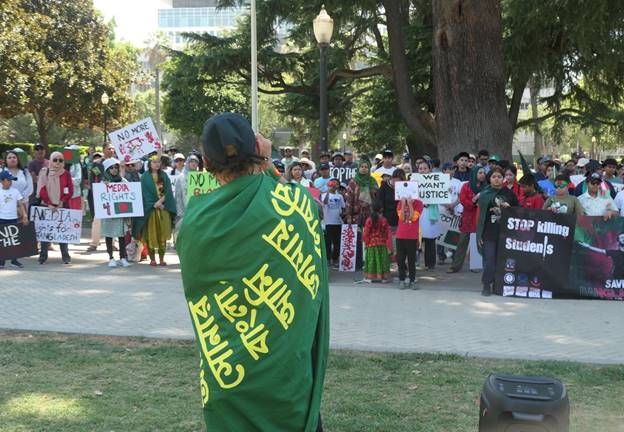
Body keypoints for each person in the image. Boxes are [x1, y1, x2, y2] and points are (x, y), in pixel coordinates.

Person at [177, 113, 328, 432]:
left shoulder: (195, 223)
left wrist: (261, 163)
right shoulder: (295, 205)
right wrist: (269, 165)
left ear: (205, 161)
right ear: (258, 149)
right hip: (289, 389)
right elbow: (298, 203)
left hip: (230, 384)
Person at [476, 167, 519, 296]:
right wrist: (479, 234)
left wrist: (510, 208)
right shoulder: (484, 194)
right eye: (494, 177)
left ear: (503, 178)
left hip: (506, 232)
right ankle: (486, 285)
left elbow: (519, 211)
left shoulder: (509, 193)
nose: (496, 179)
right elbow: (480, 216)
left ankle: (499, 285)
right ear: (489, 179)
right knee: (489, 259)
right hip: (489, 232)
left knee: (503, 260)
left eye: (499, 177)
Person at [133, 155, 177, 266]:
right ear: (149, 164)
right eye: (154, 162)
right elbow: (144, 194)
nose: (157, 164)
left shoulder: (164, 175)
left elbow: (168, 192)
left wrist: (161, 202)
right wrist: (153, 204)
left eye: (158, 162)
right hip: (150, 210)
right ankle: (152, 259)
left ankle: (162, 258)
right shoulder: (145, 177)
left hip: (163, 208)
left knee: (163, 233)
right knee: (150, 234)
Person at [37, 152, 74, 265]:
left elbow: (70, 189)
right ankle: (43, 256)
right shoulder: (44, 172)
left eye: (60, 160)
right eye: (55, 159)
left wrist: (62, 202)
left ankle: (65, 256)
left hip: (62, 206)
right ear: (51, 160)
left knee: (62, 233)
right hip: (46, 206)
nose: (57, 162)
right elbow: (42, 189)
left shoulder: (66, 174)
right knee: (46, 232)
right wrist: (49, 203)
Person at [447, 167, 486, 273]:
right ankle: (455, 266)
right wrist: (474, 201)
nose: (483, 175)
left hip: (480, 219)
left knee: (477, 243)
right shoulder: (466, 186)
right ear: (474, 174)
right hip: (468, 218)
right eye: (480, 173)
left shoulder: (486, 187)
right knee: (462, 243)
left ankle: (475, 266)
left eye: (484, 173)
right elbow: (464, 201)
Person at [345, 160, 379, 271]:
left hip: (370, 214)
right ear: (358, 168)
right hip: (356, 215)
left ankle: (370, 264)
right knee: (358, 240)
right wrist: (348, 215)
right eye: (362, 166)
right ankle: (358, 264)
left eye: (366, 167)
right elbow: (349, 199)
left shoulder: (373, 181)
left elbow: (377, 199)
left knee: (370, 239)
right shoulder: (353, 182)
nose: (364, 168)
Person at [99, 159, 131, 268]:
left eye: (116, 167)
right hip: (108, 214)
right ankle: (111, 258)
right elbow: (99, 197)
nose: (114, 170)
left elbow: (129, 196)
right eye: (111, 168)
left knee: (121, 235)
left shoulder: (123, 181)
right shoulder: (102, 182)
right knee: (109, 235)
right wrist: (105, 186)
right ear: (107, 169)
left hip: (120, 214)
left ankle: (122, 257)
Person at [0, 170, 29, 269]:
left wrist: (24, 215)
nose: (11, 182)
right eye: (9, 180)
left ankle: (14, 260)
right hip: (2, 219)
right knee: (3, 241)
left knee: (13, 241)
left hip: (13, 219)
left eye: (12, 180)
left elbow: (20, 204)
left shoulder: (15, 191)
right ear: (2, 181)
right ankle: (2, 261)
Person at [416, 161, 441, 270]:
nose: (422, 170)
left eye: (425, 168)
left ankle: (430, 264)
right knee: (416, 238)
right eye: (420, 168)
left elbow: (441, 194)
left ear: (429, 170)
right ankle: (414, 262)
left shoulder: (436, 181)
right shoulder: (414, 181)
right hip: (417, 213)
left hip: (430, 213)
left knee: (430, 239)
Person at [396, 197, 424, 289]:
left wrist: (411, 204)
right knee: (400, 260)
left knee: (411, 260)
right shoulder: (401, 202)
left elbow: (413, 218)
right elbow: (402, 217)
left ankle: (412, 281)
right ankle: (402, 280)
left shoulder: (419, 203)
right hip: (400, 235)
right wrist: (404, 204)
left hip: (412, 236)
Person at [362, 202, 391, 282]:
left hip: (371, 244)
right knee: (382, 260)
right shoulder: (384, 220)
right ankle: (383, 278)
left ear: (371, 209)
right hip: (382, 244)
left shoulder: (369, 220)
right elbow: (387, 232)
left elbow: (366, 233)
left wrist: (367, 243)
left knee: (372, 260)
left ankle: (370, 277)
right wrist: (384, 240)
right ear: (381, 209)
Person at [173, 154, 200, 238]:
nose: (193, 163)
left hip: (197, 209)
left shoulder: (201, 177)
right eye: (191, 161)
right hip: (184, 210)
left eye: (195, 162)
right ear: (187, 163)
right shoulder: (181, 177)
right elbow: (177, 195)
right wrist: (180, 210)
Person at [321, 179, 345, 269]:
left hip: (337, 222)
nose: (334, 186)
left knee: (337, 242)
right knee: (327, 242)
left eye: (336, 185)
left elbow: (343, 208)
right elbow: (324, 203)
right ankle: (327, 260)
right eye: (332, 184)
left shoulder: (340, 196)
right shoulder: (324, 195)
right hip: (327, 222)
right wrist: (328, 191)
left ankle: (335, 259)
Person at [63, 145, 83, 210]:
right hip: (63, 195)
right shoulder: (62, 164)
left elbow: (78, 180)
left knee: (74, 216)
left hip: (75, 195)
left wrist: (67, 180)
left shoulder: (77, 165)